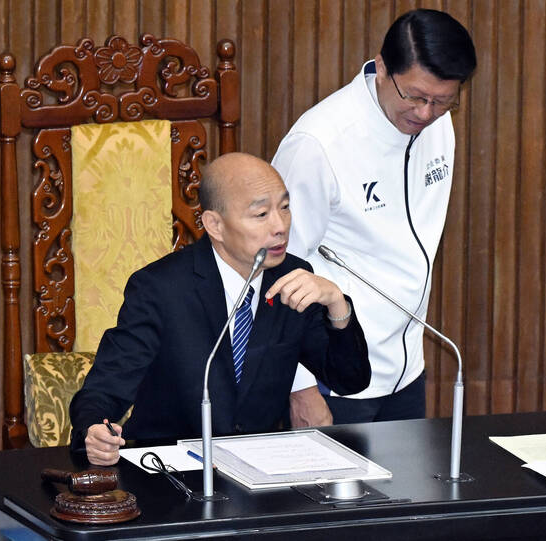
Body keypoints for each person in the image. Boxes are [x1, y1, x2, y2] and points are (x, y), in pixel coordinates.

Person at [70, 152, 370, 466]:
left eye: (285, 207)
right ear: (214, 224)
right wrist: (95, 428)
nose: (280, 226)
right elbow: (106, 387)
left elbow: (350, 380)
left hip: (261, 473)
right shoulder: (160, 289)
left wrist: (337, 304)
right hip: (171, 474)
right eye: (261, 214)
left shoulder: (293, 279)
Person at [272, 9, 476, 427]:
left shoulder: (439, 123)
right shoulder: (319, 144)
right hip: (335, 377)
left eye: (442, 101)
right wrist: (300, 388)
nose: (424, 114)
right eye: (415, 96)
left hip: (407, 369)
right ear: (381, 67)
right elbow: (271, 268)